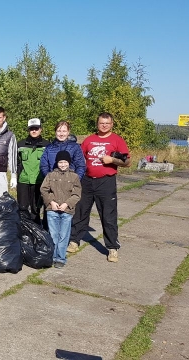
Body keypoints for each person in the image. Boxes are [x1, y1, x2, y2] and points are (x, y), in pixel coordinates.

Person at [69, 112, 131, 262]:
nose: (104, 125)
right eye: (101, 123)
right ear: (97, 124)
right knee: (80, 212)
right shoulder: (89, 140)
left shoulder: (117, 140)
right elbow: (79, 157)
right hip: (87, 181)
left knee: (108, 215)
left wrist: (112, 160)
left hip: (106, 182)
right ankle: (74, 241)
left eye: (107, 123)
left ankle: (112, 248)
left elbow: (127, 162)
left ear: (112, 124)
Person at [40, 150, 81, 268]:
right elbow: (44, 190)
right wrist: (51, 202)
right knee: (53, 234)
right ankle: (52, 256)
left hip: (67, 211)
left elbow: (77, 194)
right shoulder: (50, 175)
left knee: (63, 235)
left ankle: (61, 258)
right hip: (52, 210)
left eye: (65, 162)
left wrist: (66, 204)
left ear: (69, 163)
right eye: (60, 162)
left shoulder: (74, 176)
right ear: (57, 163)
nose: (63, 164)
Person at [17, 118, 50, 224]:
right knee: (22, 207)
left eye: (36, 128)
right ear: (28, 130)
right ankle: (24, 229)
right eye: (32, 129)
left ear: (41, 129)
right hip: (24, 180)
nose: (34, 131)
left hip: (39, 181)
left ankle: (36, 230)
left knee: (36, 208)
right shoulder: (20, 144)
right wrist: (16, 176)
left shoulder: (47, 145)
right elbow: (16, 162)